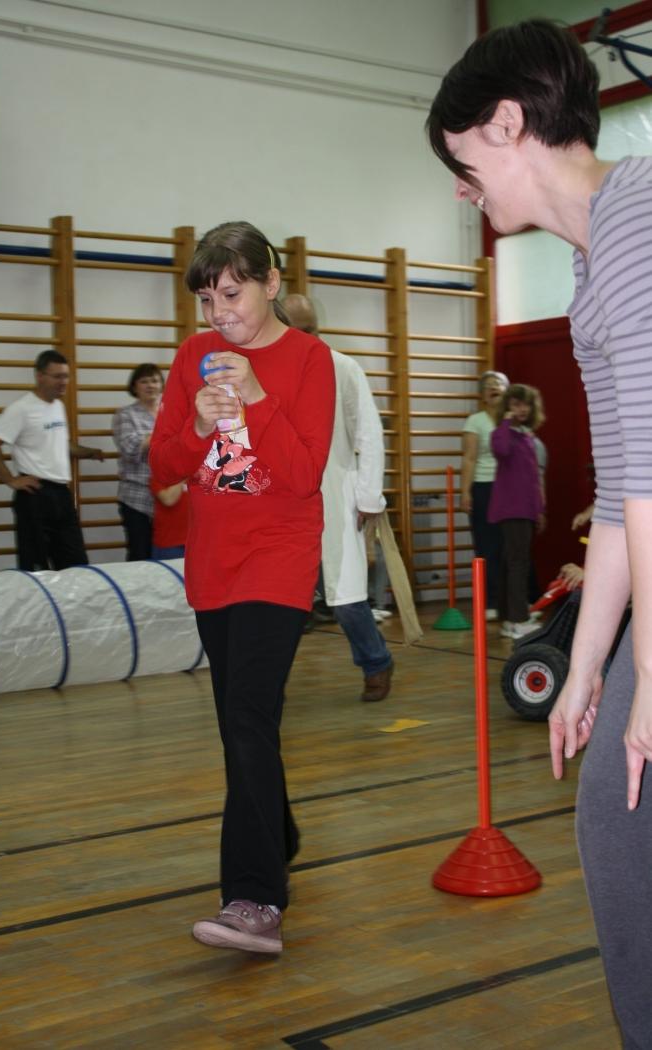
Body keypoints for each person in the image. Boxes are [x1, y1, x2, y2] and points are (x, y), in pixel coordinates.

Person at [428, 19, 652, 1044]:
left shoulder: (636, 220)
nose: (461, 191)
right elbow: (621, 493)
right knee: (611, 809)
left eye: (462, 162)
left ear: (508, 123)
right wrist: (587, 668)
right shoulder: (589, 268)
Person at [149, 221, 335, 955]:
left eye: (232, 294)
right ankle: (277, 832)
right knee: (241, 721)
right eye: (207, 299)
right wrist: (197, 427)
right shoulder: (190, 356)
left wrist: (256, 396)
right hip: (214, 565)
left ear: (271, 283)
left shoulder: (310, 360)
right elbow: (163, 466)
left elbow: (303, 474)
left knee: (248, 719)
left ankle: (255, 897)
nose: (218, 312)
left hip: (278, 561)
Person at [283, 293, 394, 702]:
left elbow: (369, 434)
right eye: (296, 330)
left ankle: (376, 662)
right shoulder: (263, 370)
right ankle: (269, 680)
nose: (306, 337)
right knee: (280, 600)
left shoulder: (342, 368)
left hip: (334, 497)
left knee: (346, 597)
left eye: (311, 329)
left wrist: (368, 498)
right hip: (282, 503)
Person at [0, 349, 103, 571]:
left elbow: (60, 444)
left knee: (75, 566)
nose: (63, 382)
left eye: (66, 376)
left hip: (61, 494)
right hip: (35, 495)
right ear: (40, 376)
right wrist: (11, 480)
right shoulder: (22, 409)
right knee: (37, 569)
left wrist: (88, 452)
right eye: (57, 376)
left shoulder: (58, 406)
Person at [489, 383, 546, 640]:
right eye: (516, 404)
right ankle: (516, 620)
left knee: (512, 562)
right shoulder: (503, 434)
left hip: (525, 509)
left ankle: (510, 614)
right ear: (507, 407)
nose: (522, 409)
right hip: (512, 509)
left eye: (526, 405)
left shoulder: (527, 436)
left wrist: (539, 510)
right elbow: (501, 450)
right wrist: (505, 422)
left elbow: (533, 479)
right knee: (517, 564)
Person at [461, 370, 509, 620]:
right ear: (482, 395)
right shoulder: (475, 421)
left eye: (498, 384)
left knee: (509, 547)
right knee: (486, 546)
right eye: (488, 385)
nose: (493, 387)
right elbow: (469, 458)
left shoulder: (514, 419)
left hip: (510, 490)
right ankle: (489, 601)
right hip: (484, 487)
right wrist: (465, 492)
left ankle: (513, 601)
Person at [112, 363, 164, 560]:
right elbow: (130, 447)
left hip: (170, 497)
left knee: (168, 555)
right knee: (140, 555)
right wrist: (164, 434)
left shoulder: (172, 411)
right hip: (136, 498)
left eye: (155, 380)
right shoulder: (125, 414)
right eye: (144, 381)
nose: (150, 385)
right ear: (134, 386)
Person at [149, 475, 189, 560]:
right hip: (169, 545)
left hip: (194, 544)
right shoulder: (159, 475)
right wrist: (184, 475)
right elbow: (169, 500)